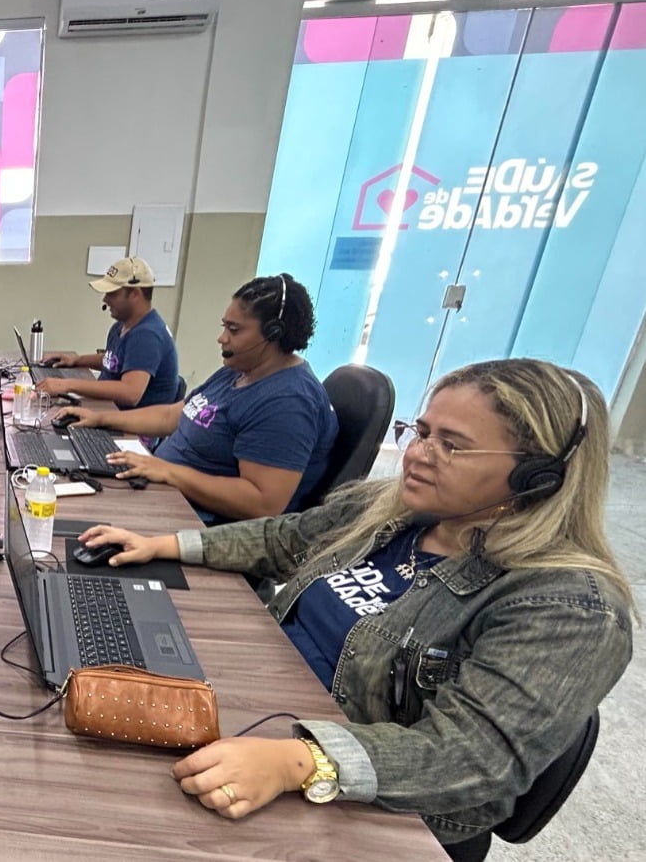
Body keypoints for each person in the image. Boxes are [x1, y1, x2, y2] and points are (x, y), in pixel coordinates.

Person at [77, 359, 634, 854]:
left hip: (366, 800)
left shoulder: (569, 607)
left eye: (453, 445)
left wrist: (299, 761)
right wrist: (165, 545)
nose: (418, 454)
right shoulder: (397, 510)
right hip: (271, 716)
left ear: (538, 477)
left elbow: (473, 757)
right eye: (421, 432)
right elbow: (286, 537)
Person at [61, 273, 337, 523]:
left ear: (274, 334)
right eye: (224, 327)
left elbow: (262, 503)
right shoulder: (239, 370)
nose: (222, 338)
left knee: (73, 516)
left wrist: (168, 472)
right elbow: (171, 416)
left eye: (234, 330)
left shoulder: (287, 403)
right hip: (166, 491)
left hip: (199, 521)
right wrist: (100, 418)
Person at [34, 256, 179, 410]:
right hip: (108, 408)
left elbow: (131, 393)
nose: (105, 299)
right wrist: (76, 360)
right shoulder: (121, 327)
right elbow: (115, 361)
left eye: (112, 294)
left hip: (128, 422)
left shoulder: (147, 335)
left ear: (135, 294)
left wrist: (67, 385)